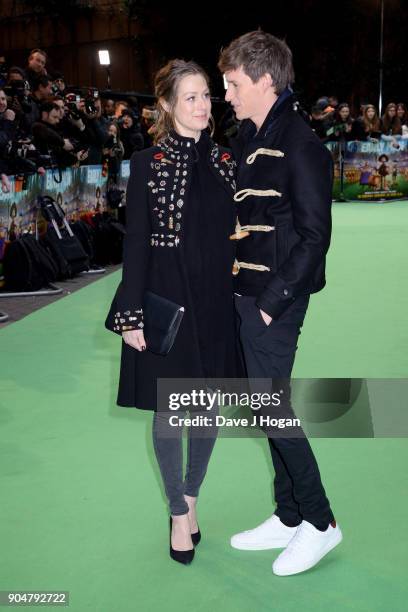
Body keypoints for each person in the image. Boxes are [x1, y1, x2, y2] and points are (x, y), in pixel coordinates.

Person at [218, 30, 342, 577]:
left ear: (266, 80)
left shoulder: (300, 142)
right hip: (247, 291)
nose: (227, 94)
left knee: (272, 408)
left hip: (274, 299)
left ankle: (320, 522)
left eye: (234, 83)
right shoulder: (251, 134)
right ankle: (289, 514)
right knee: (265, 406)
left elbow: (316, 235)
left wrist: (271, 303)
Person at [110, 59, 238, 565]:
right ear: (165, 105)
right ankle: (177, 512)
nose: (203, 105)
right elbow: (137, 243)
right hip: (166, 300)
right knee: (170, 413)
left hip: (216, 303)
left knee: (205, 409)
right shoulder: (146, 163)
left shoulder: (230, 160)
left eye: (206, 95)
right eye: (190, 97)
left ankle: (192, 498)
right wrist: (132, 314)